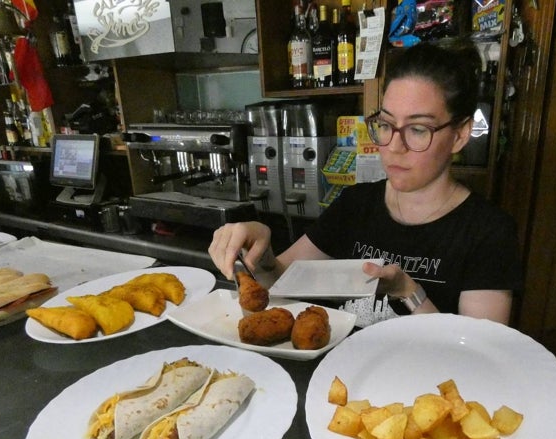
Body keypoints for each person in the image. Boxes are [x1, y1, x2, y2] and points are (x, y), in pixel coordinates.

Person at [209, 42, 522, 325]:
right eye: (386, 124)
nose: (393, 146)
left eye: (417, 129)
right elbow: (276, 283)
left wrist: (408, 292)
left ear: (460, 134)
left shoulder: (488, 232)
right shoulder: (356, 204)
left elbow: (478, 358)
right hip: (343, 382)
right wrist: (261, 254)